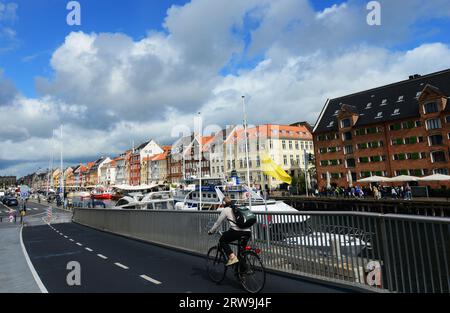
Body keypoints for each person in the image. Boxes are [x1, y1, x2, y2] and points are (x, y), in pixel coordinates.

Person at [208, 197, 252, 266]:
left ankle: (232, 257)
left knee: (222, 240)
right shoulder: (238, 207)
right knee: (242, 252)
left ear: (223, 203)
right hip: (247, 231)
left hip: (236, 231)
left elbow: (217, 223)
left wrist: (211, 231)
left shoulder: (226, 210)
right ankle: (242, 272)